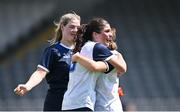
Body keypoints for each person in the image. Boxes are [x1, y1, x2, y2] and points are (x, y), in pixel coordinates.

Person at [14, 11, 81, 111]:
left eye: (78, 28)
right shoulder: (53, 51)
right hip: (57, 102)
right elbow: (40, 72)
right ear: (62, 27)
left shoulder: (84, 50)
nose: (75, 30)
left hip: (78, 102)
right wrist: (28, 86)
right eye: (71, 27)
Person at [61, 18, 127, 111]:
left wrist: (78, 58)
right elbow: (121, 68)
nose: (110, 35)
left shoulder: (81, 49)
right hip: (94, 105)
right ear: (95, 34)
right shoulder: (98, 49)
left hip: (70, 102)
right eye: (107, 31)